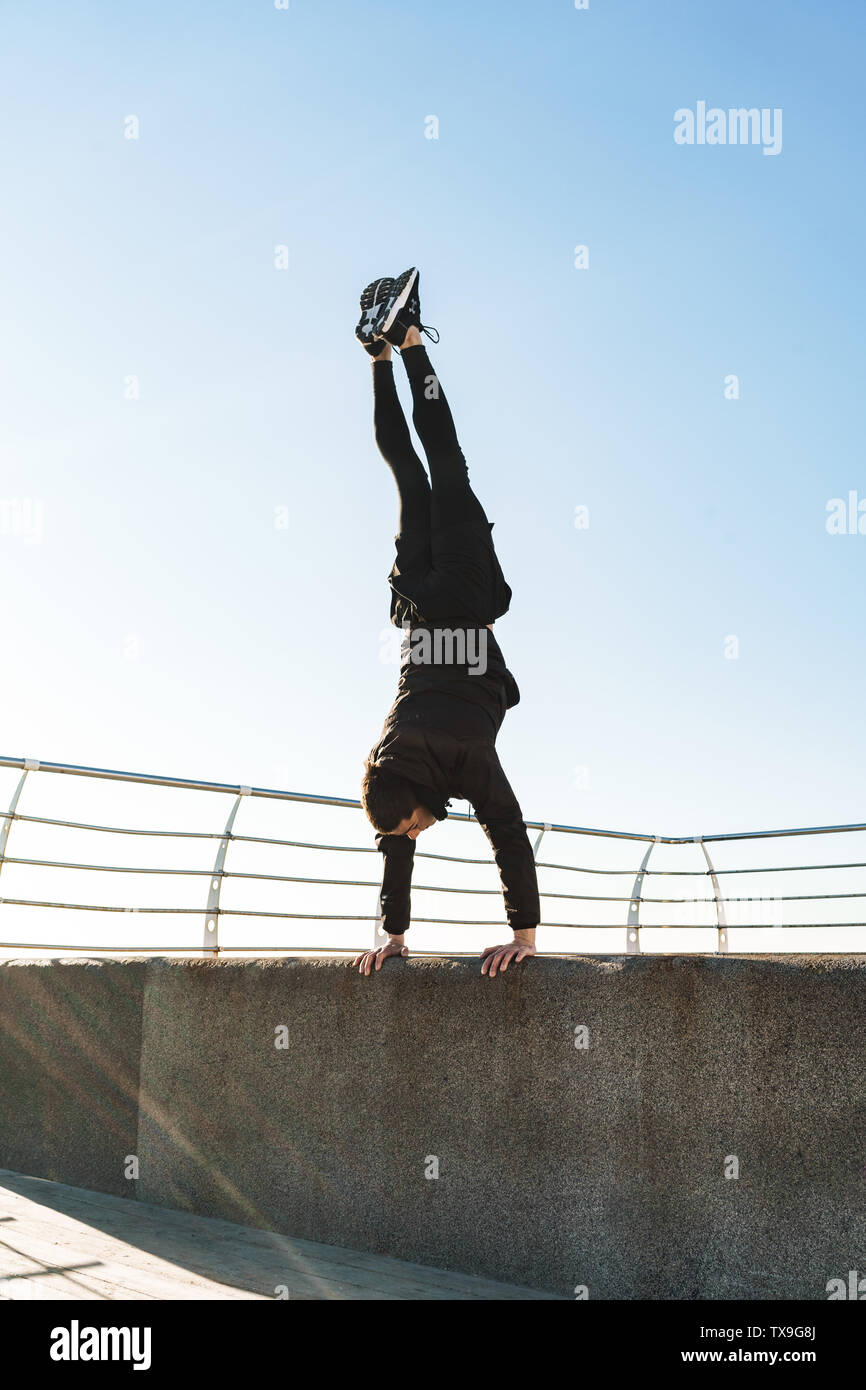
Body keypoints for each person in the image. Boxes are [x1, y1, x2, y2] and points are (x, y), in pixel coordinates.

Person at [351, 268, 540, 979]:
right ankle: (377, 354)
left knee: (443, 460)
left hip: (458, 592)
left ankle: (406, 340)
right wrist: (392, 938)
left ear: (412, 803)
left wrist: (523, 938)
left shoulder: (457, 759)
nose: (417, 834)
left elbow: (509, 833)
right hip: (419, 606)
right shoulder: (389, 765)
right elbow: (392, 841)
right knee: (407, 474)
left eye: (413, 828)